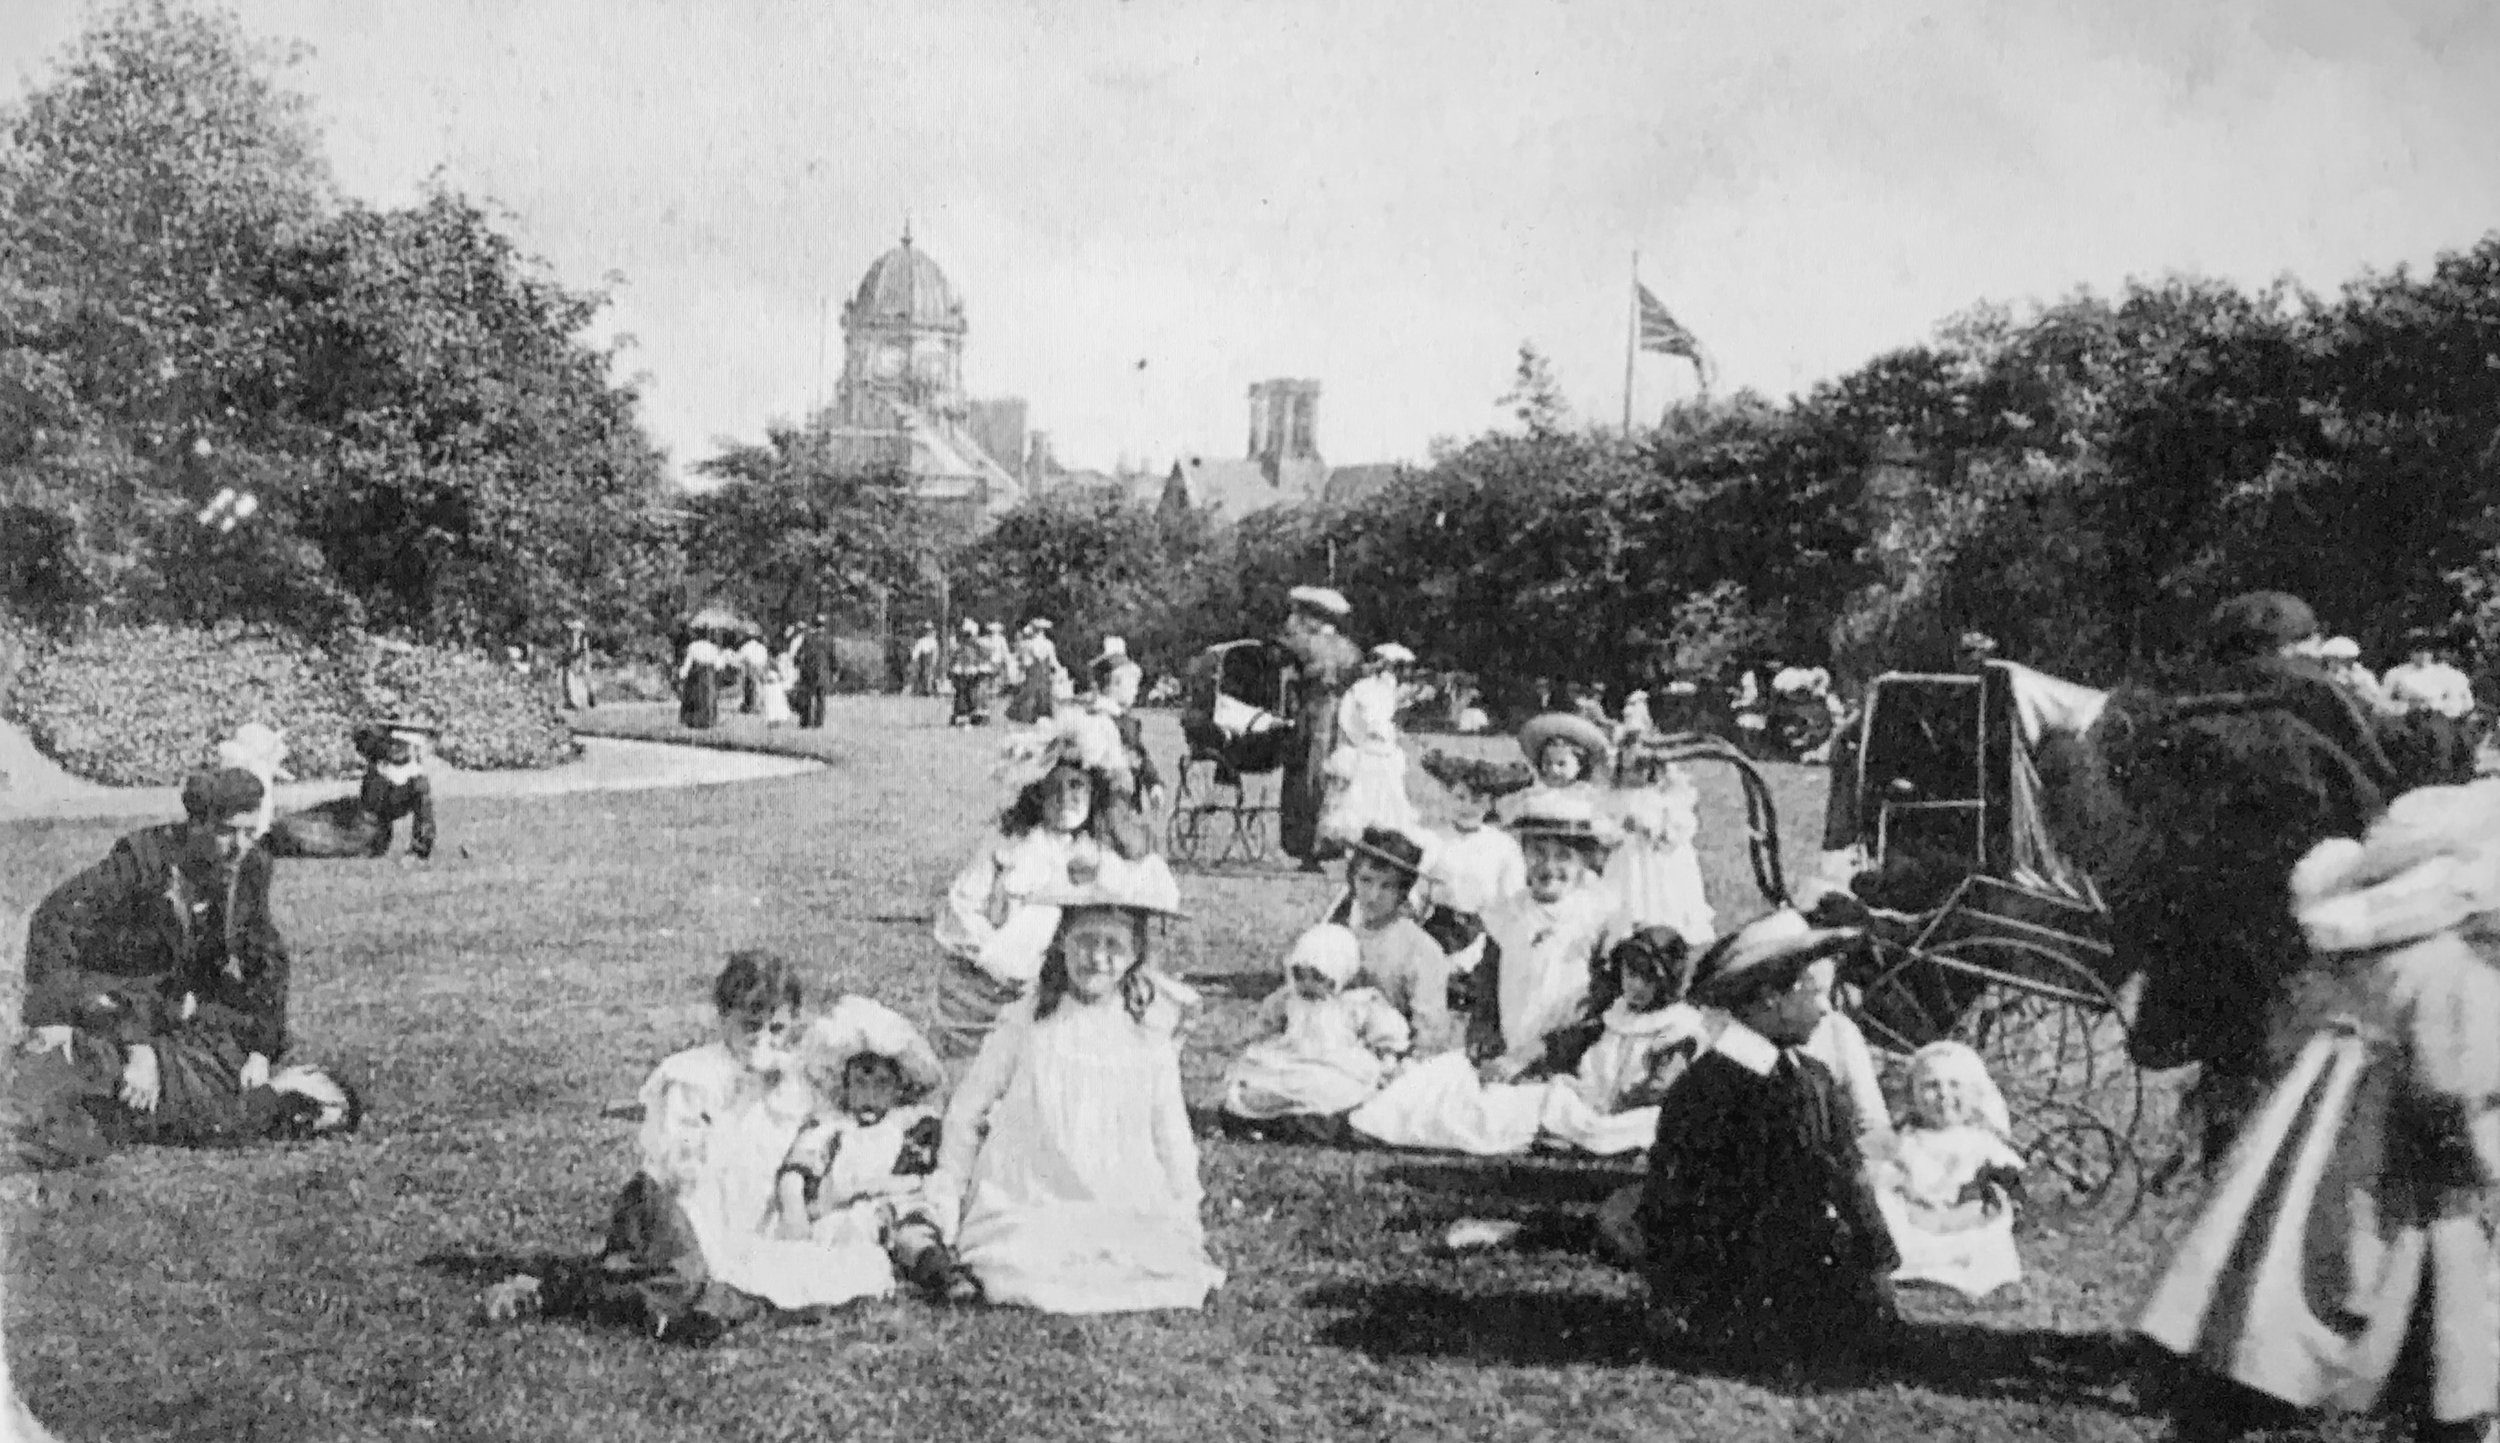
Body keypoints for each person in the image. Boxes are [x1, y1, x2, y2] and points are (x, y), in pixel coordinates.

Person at [2139, 776, 2500, 1443]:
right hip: (2406, 1173)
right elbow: (2451, 1082)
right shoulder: (2456, 969)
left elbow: (2287, 1038)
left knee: (2274, 1287)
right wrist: (2481, 1156)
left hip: (2312, 1152)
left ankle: (2216, 1407)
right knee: (2431, 1317)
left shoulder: (2358, 956)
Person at [479, 952, 895, 1340]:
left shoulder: (794, 1084)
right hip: (672, 1208)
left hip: (744, 1220)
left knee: (816, 1269)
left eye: (776, 1029)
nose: (762, 1039)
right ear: (724, 1017)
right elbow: (680, 1168)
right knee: (686, 1276)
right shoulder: (695, 1076)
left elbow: (826, 1132)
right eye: (750, 1025)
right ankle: (550, 1290)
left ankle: (705, 1307)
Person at [13, 770, 358, 1166]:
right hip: (112, 1000)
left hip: (178, 1007)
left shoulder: (250, 865)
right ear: (196, 824)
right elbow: (55, 920)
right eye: (228, 831)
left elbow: (265, 959)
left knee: (226, 1054)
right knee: (121, 1100)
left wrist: (262, 1050)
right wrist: (56, 1013)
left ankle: (243, 1091)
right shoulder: (142, 861)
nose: (240, 846)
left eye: (250, 830)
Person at [922, 866, 1225, 1313]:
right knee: (1019, 1260)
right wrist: (949, 1189)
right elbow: (968, 1109)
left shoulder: (1146, 1036)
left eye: (1113, 946)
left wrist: (1184, 1209)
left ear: (1135, 955)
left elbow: (1170, 1131)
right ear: (1062, 943)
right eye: (1085, 942)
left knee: (1144, 1255)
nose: (1096, 959)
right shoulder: (1028, 1020)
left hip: (1116, 1190)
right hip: (1031, 1191)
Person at [1635, 909, 1899, 1369]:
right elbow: (1670, 1202)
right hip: (1729, 1278)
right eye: (1816, 994)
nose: (1826, 1010)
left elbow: (1848, 1175)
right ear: (1771, 998)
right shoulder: (1707, 1091)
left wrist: (1876, 1257)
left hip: (1801, 1265)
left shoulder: (1811, 1077)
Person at [930, 713, 1160, 1062]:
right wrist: (992, 957)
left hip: (1069, 980)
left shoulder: (1097, 852)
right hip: (1000, 978)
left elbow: (1135, 905)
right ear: (1037, 796)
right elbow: (962, 906)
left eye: (1077, 786)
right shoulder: (1010, 845)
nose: (1066, 797)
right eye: (1055, 788)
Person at [773, 1004, 964, 1298]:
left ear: (899, 1088)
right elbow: (796, 1169)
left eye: (882, 1085)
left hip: (895, 1201)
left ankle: (938, 1271)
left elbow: (919, 1172)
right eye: (860, 1084)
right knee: (840, 1239)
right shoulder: (832, 1127)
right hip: (845, 1210)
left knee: (912, 1226)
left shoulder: (908, 1123)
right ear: (845, 1086)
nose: (870, 1096)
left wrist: (880, 1187)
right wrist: (795, 1208)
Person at [1218, 924, 1411, 1138]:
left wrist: (1387, 1061)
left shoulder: (1355, 1005)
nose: (1307, 985)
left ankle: (1311, 1122)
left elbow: (1386, 1036)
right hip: (1293, 1059)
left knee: (1331, 1089)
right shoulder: (1288, 1000)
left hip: (1336, 1065)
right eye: (1300, 975)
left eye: (1318, 977)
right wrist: (1257, 1042)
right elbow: (1265, 1025)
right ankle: (1267, 1119)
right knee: (1258, 1083)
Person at [1872, 1040, 2027, 1299]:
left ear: (1975, 1092)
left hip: (1964, 1223)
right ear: (1912, 1095)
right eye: (1931, 1086)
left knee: (1987, 1242)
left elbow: (1985, 1198)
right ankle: (1912, 1264)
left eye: (1954, 1085)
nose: (1943, 1095)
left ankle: (1951, 1269)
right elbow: (1887, 1181)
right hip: (1914, 1219)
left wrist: (1951, 1220)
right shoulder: (1905, 1141)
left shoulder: (1981, 1146)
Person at [1325, 828, 1459, 1055]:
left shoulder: (1420, 950)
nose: (1373, 895)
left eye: (1386, 886)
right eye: (1365, 881)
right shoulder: (1339, 937)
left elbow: (1429, 1035)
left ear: (1402, 891)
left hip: (1395, 1059)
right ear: (1352, 879)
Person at [1275, 585, 1363, 872]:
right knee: (1334, 779)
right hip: (1341, 719)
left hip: (1311, 716)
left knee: (1306, 779)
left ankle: (1306, 847)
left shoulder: (1302, 644)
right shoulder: (1350, 649)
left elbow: (1285, 677)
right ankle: (1331, 844)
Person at [265, 719, 439, 862]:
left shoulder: (416, 781)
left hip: (368, 834)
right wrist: (381, 727)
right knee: (296, 819)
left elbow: (425, 822)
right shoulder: (379, 757)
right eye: (393, 743)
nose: (395, 748)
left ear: (412, 748)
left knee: (296, 834)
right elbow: (361, 737)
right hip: (351, 811)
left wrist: (417, 852)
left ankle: (271, 835)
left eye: (402, 745)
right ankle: (267, 828)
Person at [1603, 747, 1714, 945]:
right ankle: (1628, 936)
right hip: (1629, 859)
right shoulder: (1615, 796)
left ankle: (1668, 936)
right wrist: (1620, 829)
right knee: (1627, 896)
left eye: (1640, 768)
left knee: (1665, 897)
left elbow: (1682, 825)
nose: (1634, 775)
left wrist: (1658, 831)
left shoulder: (1666, 796)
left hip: (1661, 858)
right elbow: (1602, 823)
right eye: (1628, 769)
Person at [1320, 642, 1419, 847]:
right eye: (1387, 667)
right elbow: (1349, 719)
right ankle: (1359, 838)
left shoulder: (1394, 691)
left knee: (1390, 795)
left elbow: (1394, 718)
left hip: (1386, 752)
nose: (1388, 672)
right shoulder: (1361, 690)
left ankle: (1386, 837)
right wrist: (1362, 737)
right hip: (1367, 750)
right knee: (1361, 795)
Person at [1088, 637, 1164, 815]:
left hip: (1127, 804)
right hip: (1103, 804)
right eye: (1132, 685)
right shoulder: (1097, 719)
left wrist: (1154, 784)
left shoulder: (1127, 721)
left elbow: (1141, 756)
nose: (1136, 691)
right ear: (1113, 684)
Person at [1499, 712, 1610, 824]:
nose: (1553, 770)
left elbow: (1605, 827)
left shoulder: (1588, 796)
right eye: (1547, 763)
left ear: (1580, 765)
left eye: (1561, 764)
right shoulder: (1530, 794)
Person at [214, 721, 290, 843]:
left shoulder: (243, 743)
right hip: (245, 774)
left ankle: (256, 831)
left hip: (245, 773)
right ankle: (258, 831)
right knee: (263, 798)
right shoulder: (238, 748)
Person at [2383, 634, 2479, 720]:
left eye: (2427, 651)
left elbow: (2463, 703)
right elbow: (2382, 702)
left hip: (2438, 718)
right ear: (2410, 653)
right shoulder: (2396, 674)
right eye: (2419, 651)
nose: (2423, 655)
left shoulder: (2444, 673)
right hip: (2405, 718)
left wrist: (2438, 708)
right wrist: (2403, 708)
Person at [1005, 620, 1060, 725]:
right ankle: (1043, 715)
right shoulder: (1048, 644)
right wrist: (1059, 670)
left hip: (1034, 671)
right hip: (1044, 672)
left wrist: (1022, 669)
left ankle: (1032, 716)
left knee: (1032, 693)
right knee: (1043, 692)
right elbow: (1053, 662)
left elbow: (1027, 662)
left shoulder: (1029, 645)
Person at [791, 615, 839, 730]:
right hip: (822, 673)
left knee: (807, 698)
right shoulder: (829, 640)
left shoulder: (808, 638)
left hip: (808, 672)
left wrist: (797, 664)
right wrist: (835, 671)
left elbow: (799, 653)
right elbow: (833, 657)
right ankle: (818, 723)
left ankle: (805, 721)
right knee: (820, 699)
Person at [946, 620, 993, 728]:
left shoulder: (977, 645)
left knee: (975, 695)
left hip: (971, 672)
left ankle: (976, 716)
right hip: (962, 672)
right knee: (963, 694)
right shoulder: (960, 647)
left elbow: (983, 658)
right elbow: (955, 659)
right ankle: (962, 717)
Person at [677, 630, 723, 730]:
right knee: (708, 698)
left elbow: (688, 663)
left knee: (695, 697)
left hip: (696, 675)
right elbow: (718, 666)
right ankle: (708, 721)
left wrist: (682, 675)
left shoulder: (693, 646)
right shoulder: (713, 648)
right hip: (709, 675)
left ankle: (693, 721)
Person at [558, 620, 596, 711]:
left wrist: (584, 664)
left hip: (582, 660)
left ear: (580, 630)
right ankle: (571, 701)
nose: (575, 631)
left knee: (587, 676)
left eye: (577, 630)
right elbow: (567, 653)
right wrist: (571, 664)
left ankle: (591, 697)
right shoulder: (569, 640)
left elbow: (585, 652)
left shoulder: (583, 639)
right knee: (567, 678)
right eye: (574, 630)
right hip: (572, 662)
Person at [734, 631, 771, 715]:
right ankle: (758, 705)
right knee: (759, 686)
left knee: (752, 686)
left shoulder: (746, 646)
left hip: (751, 667)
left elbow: (740, 658)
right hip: (761, 667)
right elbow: (765, 658)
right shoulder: (761, 647)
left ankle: (753, 705)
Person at [907, 624, 942, 698]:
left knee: (930, 675)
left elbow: (935, 652)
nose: (928, 632)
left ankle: (931, 690)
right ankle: (920, 690)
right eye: (927, 631)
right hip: (923, 659)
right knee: (921, 674)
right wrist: (915, 658)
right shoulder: (922, 640)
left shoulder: (934, 641)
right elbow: (917, 651)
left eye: (930, 630)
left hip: (930, 658)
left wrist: (934, 661)